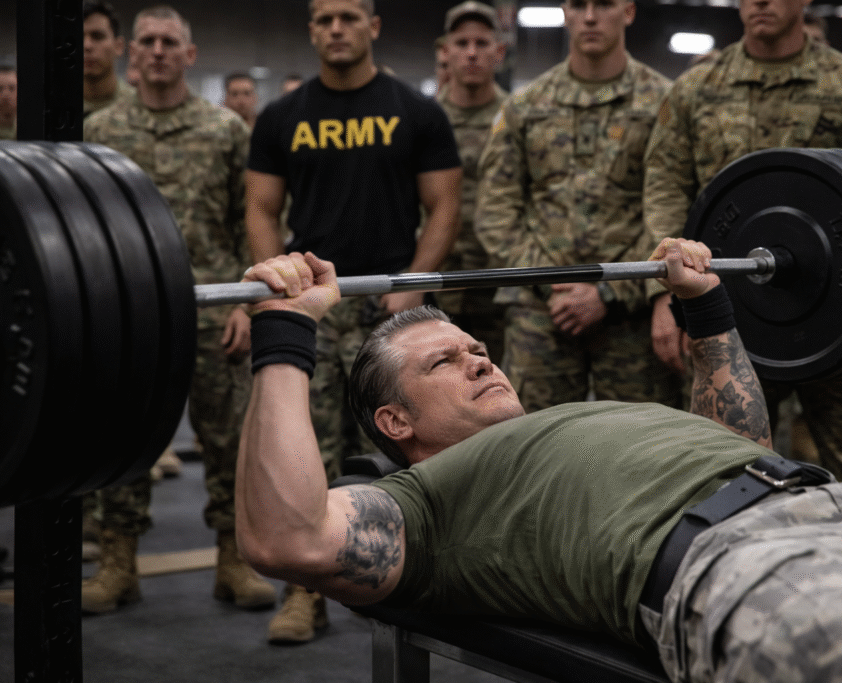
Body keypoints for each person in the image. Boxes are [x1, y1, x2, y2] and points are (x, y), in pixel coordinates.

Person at [235, 242, 842, 683]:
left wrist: (705, 306)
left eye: (478, 348)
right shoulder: (423, 503)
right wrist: (285, 334)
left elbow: (743, 447)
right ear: (394, 419)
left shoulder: (573, 418)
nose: (480, 361)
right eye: (445, 362)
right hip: (750, 566)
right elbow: (287, 537)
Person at [244, 0, 461, 643]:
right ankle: (303, 596)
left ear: (374, 25)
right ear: (311, 30)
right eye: (322, 19)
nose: (335, 28)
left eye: (347, 16)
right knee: (305, 442)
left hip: (388, 300)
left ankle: (435, 577)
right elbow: (261, 206)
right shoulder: (284, 116)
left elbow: (444, 206)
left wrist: (410, 287)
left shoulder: (416, 111)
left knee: (418, 443)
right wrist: (275, 272)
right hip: (316, 302)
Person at [643, 0, 842, 491]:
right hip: (730, 319)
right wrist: (666, 294)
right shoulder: (696, 89)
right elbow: (665, 190)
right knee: (725, 479)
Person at [82, 4, 275, 614]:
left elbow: (251, 219)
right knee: (121, 438)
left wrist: (250, 301)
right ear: (128, 53)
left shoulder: (225, 131)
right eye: (147, 41)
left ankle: (233, 561)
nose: (159, 51)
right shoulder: (99, 131)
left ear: (190, 55)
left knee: (227, 442)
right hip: (130, 311)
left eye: (170, 42)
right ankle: (118, 562)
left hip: (216, 306)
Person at [476, 0, 679, 413]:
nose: (589, 16)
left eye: (603, 5)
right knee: (533, 449)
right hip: (541, 312)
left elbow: (672, 206)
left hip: (633, 315)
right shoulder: (526, 106)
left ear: (628, 11)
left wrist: (611, 291)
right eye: (577, 5)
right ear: (565, 13)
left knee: (638, 451)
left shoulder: (666, 104)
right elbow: (496, 210)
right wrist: (556, 285)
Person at [435, 2, 508, 364]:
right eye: (462, 43)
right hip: (434, 277)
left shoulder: (515, 118)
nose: (472, 53)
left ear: (499, 52)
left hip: (497, 278)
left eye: (481, 43)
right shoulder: (426, 119)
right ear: (445, 52)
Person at [83, 1, 135, 117]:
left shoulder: (140, 106)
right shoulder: (53, 108)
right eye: (78, 37)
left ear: (119, 46)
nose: (87, 46)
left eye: (97, 36)